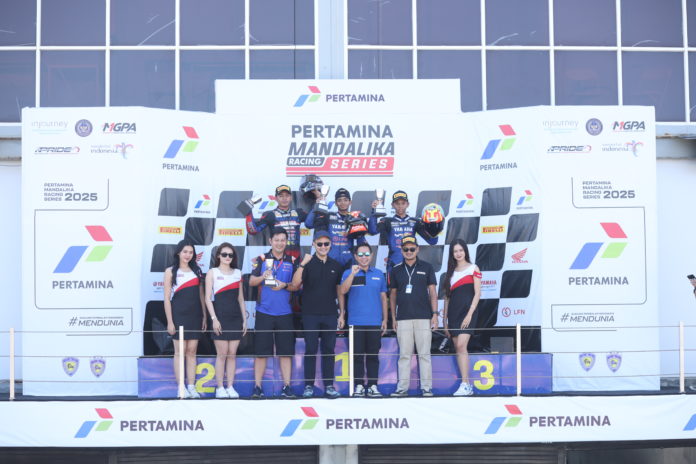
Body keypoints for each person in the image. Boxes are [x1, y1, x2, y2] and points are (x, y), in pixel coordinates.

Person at [291, 230, 345, 398]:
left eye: (326, 244)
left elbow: (339, 292)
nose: (323, 247)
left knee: (329, 350)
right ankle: (308, 386)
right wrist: (302, 264)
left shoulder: (336, 265)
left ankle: (329, 386)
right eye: (319, 244)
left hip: (330, 314)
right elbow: (295, 284)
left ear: (330, 245)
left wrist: (342, 313)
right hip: (310, 315)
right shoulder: (307, 263)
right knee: (311, 349)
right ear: (314, 244)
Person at [249, 227, 300, 398]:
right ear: (271, 241)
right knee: (261, 353)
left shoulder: (293, 261)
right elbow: (251, 281)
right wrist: (263, 277)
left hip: (285, 313)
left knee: (285, 353)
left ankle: (287, 387)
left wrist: (284, 285)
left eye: (283, 240)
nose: (279, 243)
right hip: (264, 312)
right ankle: (257, 387)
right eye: (276, 240)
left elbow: (297, 286)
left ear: (286, 242)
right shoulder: (261, 259)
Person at [388, 236, 438, 397]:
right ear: (401, 250)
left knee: (424, 355)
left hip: (424, 317)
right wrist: (393, 318)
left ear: (417, 249)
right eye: (406, 249)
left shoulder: (427, 267)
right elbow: (392, 295)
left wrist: (435, 315)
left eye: (412, 249)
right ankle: (402, 388)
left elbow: (433, 292)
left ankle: (427, 388)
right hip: (403, 318)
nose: (409, 252)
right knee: (404, 355)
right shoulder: (396, 269)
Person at [339, 243, 388, 398]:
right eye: (360, 255)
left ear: (372, 256)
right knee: (357, 356)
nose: (364, 257)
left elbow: (383, 297)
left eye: (367, 254)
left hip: (374, 322)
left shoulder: (379, 273)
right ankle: (359, 385)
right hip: (355, 322)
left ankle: (373, 385)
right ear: (355, 256)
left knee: (373, 356)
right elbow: (342, 291)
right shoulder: (348, 272)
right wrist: (353, 274)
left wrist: (385, 319)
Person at [163, 240, 206, 399]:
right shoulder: (170, 271)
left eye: (191, 252)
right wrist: (170, 321)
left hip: (195, 316)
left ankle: (191, 387)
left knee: (192, 351)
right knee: (179, 352)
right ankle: (181, 388)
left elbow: (201, 295)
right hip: (178, 316)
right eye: (185, 251)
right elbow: (166, 299)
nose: (188, 255)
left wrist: (204, 316)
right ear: (178, 253)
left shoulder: (197, 270)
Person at [204, 243, 248, 399]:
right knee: (221, 354)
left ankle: (230, 386)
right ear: (218, 256)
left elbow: (241, 299)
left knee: (232, 355)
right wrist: (214, 319)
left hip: (235, 318)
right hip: (220, 318)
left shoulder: (238, 273)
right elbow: (207, 299)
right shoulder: (212, 272)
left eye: (230, 255)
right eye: (224, 254)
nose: (227, 257)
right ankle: (220, 388)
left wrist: (244, 320)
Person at [442, 239, 481, 396]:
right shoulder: (450, 273)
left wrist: (469, 314)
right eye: (455, 251)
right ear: (452, 254)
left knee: (461, 346)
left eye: (461, 250)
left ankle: (465, 384)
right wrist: (444, 321)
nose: (458, 254)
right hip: (453, 314)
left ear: (465, 251)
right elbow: (447, 298)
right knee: (458, 348)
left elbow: (477, 293)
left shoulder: (473, 268)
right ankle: (467, 385)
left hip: (468, 313)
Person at [368, 190, 438, 276]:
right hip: (393, 264)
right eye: (397, 203)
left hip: (411, 263)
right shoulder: (387, 221)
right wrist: (374, 212)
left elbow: (432, 241)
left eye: (403, 203)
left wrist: (435, 226)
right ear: (392, 205)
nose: (400, 206)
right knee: (393, 285)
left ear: (407, 204)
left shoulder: (415, 222)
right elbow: (372, 231)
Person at [305, 188, 367, 268]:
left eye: (345, 200)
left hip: (348, 261)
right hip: (330, 260)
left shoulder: (355, 218)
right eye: (339, 200)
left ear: (350, 202)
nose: (342, 203)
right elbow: (308, 224)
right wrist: (316, 206)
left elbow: (362, 241)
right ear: (336, 203)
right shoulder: (328, 216)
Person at [245, 184, 308, 258]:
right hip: (277, 257)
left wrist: (318, 200)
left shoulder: (299, 213)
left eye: (287, 196)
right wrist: (247, 210)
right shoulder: (270, 215)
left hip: (296, 257)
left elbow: (313, 222)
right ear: (276, 198)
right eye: (281, 196)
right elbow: (253, 230)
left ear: (291, 198)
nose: (284, 198)